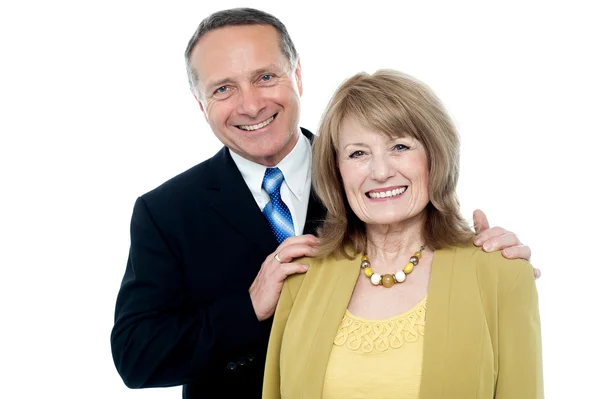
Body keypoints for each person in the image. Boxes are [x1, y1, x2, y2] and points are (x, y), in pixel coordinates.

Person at [110, 8, 537, 399]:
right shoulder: (166, 212)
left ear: (297, 75)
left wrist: (486, 259)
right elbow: (136, 357)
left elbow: (427, 218)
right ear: (201, 105)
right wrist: (249, 308)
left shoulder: (363, 175)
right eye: (223, 88)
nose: (252, 104)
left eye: (265, 77)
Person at [262, 69, 543, 398]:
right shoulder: (302, 277)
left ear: (435, 157)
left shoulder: (501, 273)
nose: (381, 172)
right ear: (337, 172)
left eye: (399, 146)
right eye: (358, 153)